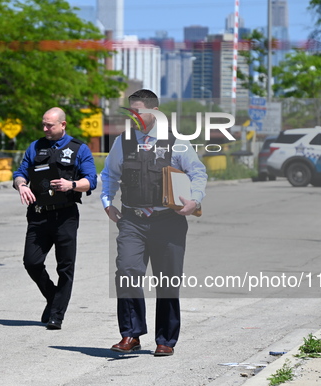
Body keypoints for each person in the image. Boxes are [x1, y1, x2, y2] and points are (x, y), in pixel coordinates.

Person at [100, 89, 207, 357]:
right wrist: (107, 202)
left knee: (168, 282)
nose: (134, 117)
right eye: (131, 111)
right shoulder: (122, 142)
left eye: (139, 111)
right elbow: (110, 174)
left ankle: (165, 340)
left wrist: (194, 200)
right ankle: (131, 334)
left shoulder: (176, 141)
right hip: (132, 220)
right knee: (126, 272)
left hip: (168, 221)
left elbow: (197, 172)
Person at [13, 107, 97, 329]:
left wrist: (72, 185)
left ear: (63, 125)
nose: (45, 129)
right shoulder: (35, 146)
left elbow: (91, 180)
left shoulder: (79, 149)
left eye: (49, 125)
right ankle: (53, 297)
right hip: (38, 214)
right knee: (31, 262)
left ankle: (57, 315)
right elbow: (20, 172)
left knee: (65, 267)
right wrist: (21, 185)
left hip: (65, 216)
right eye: (43, 124)